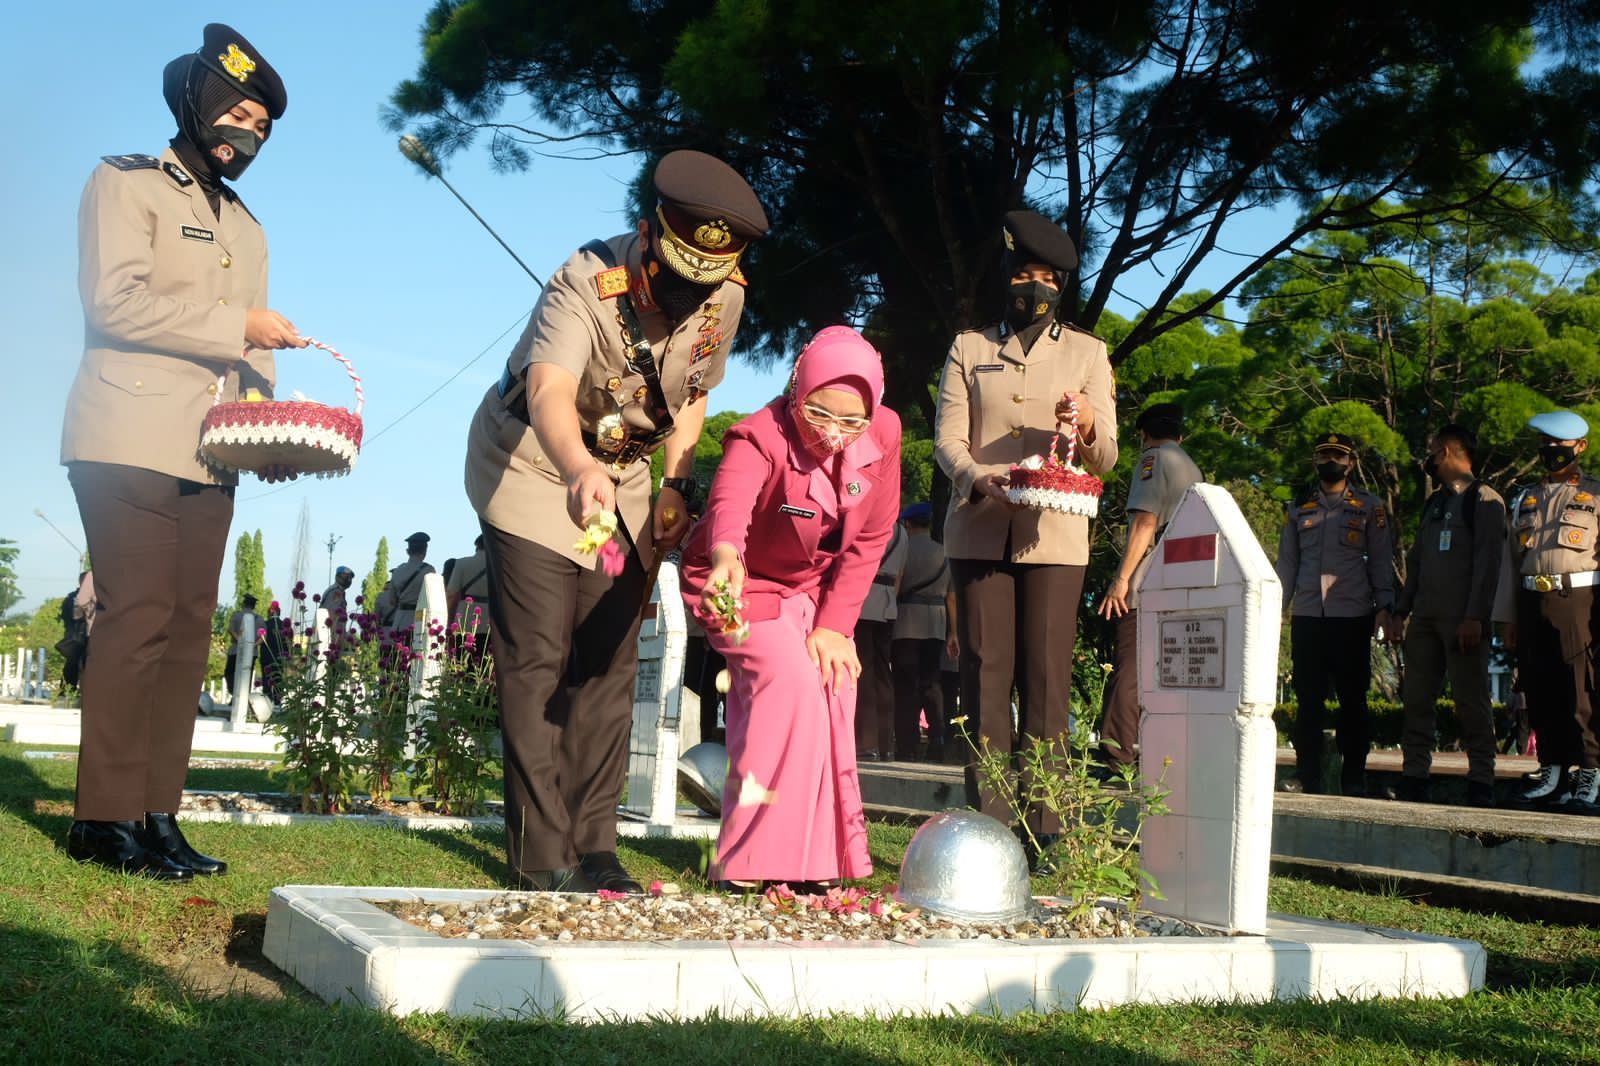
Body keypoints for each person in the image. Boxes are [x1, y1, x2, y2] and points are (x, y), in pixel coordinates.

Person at [464, 150, 768, 892]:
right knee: (537, 662)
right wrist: (576, 469)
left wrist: (678, 485)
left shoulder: (722, 294)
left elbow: (693, 390)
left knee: (607, 664)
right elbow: (547, 391)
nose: (690, 297)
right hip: (537, 466)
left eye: (706, 283)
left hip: (628, 478)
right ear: (646, 237)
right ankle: (542, 853)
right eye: (676, 279)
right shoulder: (583, 280)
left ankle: (595, 844)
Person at [60, 23, 298, 880]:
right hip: (125, 433)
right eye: (239, 112)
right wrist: (235, 328)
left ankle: (157, 811)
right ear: (197, 104)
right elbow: (113, 305)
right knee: (138, 618)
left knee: (189, 632)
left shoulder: (248, 227)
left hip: (213, 453)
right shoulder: (126, 185)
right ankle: (102, 818)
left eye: (264, 127)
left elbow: (258, 353)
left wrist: (267, 423)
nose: (249, 134)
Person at [680, 325, 901, 888]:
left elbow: (872, 537)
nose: (833, 434)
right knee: (785, 678)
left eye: (852, 422)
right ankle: (750, 858)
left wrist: (835, 627)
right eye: (818, 414)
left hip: (811, 591)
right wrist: (728, 554)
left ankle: (823, 858)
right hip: (737, 582)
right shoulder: (757, 436)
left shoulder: (886, 433)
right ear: (796, 390)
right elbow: (730, 502)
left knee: (835, 678)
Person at [934, 209, 1118, 849]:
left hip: (1056, 537)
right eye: (1022, 274)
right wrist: (975, 477)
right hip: (981, 526)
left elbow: (1107, 456)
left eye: (1044, 277)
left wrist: (1089, 419)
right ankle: (988, 828)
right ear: (1006, 279)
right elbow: (948, 440)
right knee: (985, 672)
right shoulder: (970, 347)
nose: (1031, 287)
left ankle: (1049, 829)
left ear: (1060, 288)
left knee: (1047, 674)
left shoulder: (1089, 353)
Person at [1390, 425, 1505, 807]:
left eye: (1434, 452)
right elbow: (1418, 561)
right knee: (1418, 699)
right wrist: (1401, 609)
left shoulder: (1484, 499)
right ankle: (1414, 775)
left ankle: (1481, 780)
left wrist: (1474, 616)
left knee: (1471, 700)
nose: (1430, 460)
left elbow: (1488, 564)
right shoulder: (1435, 502)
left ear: (1449, 452)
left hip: (1463, 618)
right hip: (1425, 616)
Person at [1276, 432, 1396, 796]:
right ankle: (1306, 773)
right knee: (1308, 700)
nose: (1332, 461)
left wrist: (1385, 606)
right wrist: (1278, 608)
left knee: (1353, 701)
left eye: (1338, 456)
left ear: (1352, 463)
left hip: (1353, 614)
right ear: (1315, 461)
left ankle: (1354, 776)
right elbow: (1288, 562)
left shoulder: (1369, 507)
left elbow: (1380, 560)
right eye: (1325, 455)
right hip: (1309, 614)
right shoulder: (1299, 507)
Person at [1493, 410, 1600, 812]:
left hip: (1580, 602)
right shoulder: (1525, 498)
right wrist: (1508, 618)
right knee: (1540, 691)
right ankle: (1552, 770)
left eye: (1559, 445)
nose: (1550, 451)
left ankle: (1590, 773)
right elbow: (1509, 563)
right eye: (1544, 445)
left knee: (1582, 691)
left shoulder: (1595, 496)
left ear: (1580, 447)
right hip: (1531, 601)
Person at [1096, 402, 1204, 777]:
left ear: (1143, 435)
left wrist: (1122, 579)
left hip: (1151, 574)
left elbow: (1145, 521)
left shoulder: (1153, 460)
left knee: (1130, 668)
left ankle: (1116, 757)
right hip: (1183, 576)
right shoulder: (1193, 467)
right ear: (1181, 434)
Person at [891, 503, 954, 761]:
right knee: (932, 683)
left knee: (905, 686)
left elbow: (896, 585)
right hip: (937, 623)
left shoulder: (903, 550)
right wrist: (954, 632)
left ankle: (907, 744)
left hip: (906, 620)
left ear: (907, 523)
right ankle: (938, 739)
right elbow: (952, 597)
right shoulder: (944, 553)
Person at [854, 520, 907, 760]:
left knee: (863, 673)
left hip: (863, 601)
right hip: (887, 604)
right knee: (883, 676)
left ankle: (866, 742)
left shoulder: (870, 522)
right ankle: (886, 743)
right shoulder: (902, 533)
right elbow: (901, 575)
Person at [375, 532, 434, 631]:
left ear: (408, 551)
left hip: (400, 620)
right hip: (419, 621)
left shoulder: (398, 571)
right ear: (425, 551)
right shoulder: (429, 571)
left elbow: (392, 601)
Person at [445, 534, 492, 641]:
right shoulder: (499, 566)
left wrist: (449, 621)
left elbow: (452, 595)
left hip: (464, 619)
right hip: (489, 621)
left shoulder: (461, 563)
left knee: (461, 654)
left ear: (477, 546)